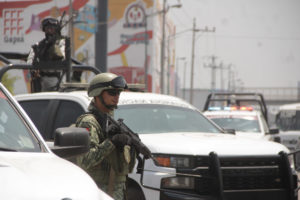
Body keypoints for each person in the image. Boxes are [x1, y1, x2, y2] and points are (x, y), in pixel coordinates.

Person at [75, 72, 136, 200]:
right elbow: (85, 160)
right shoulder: (89, 122)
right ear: (98, 93)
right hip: (99, 191)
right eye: (112, 93)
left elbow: (126, 167)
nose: (116, 97)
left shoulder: (110, 121)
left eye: (118, 93)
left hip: (115, 190)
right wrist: (112, 142)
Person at [27, 17, 69, 92]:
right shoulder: (38, 46)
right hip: (42, 80)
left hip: (58, 80)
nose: (49, 31)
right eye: (47, 28)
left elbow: (62, 57)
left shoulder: (61, 43)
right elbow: (29, 63)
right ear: (44, 30)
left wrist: (53, 45)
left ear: (56, 30)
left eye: (52, 28)